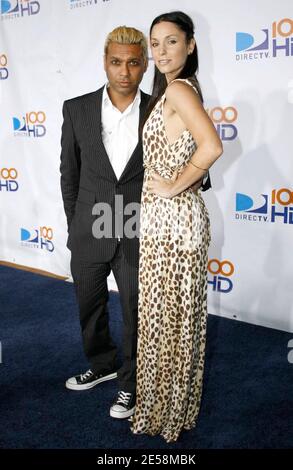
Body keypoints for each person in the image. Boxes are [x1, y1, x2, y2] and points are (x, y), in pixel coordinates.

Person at [131, 11, 223, 442]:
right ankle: (170, 406)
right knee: (168, 318)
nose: (161, 51)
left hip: (175, 220)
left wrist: (172, 187)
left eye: (171, 41)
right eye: (155, 43)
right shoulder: (170, 90)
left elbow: (213, 145)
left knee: (169, 318)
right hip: (164, 221)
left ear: (190, 45)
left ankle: (167, 409)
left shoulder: (181, 91)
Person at [60, 26, 150, 419]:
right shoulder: (76, 108)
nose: (124, 72)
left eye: (133, 62)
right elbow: (70, 174)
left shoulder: (161, 109)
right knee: (88, 306)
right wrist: (75, 225)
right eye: (116, 62)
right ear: (105, 62)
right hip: (90, 225)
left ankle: (131, 384)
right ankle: (102, 364)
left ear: (145, 65)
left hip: (135, 227)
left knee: (135, 311)